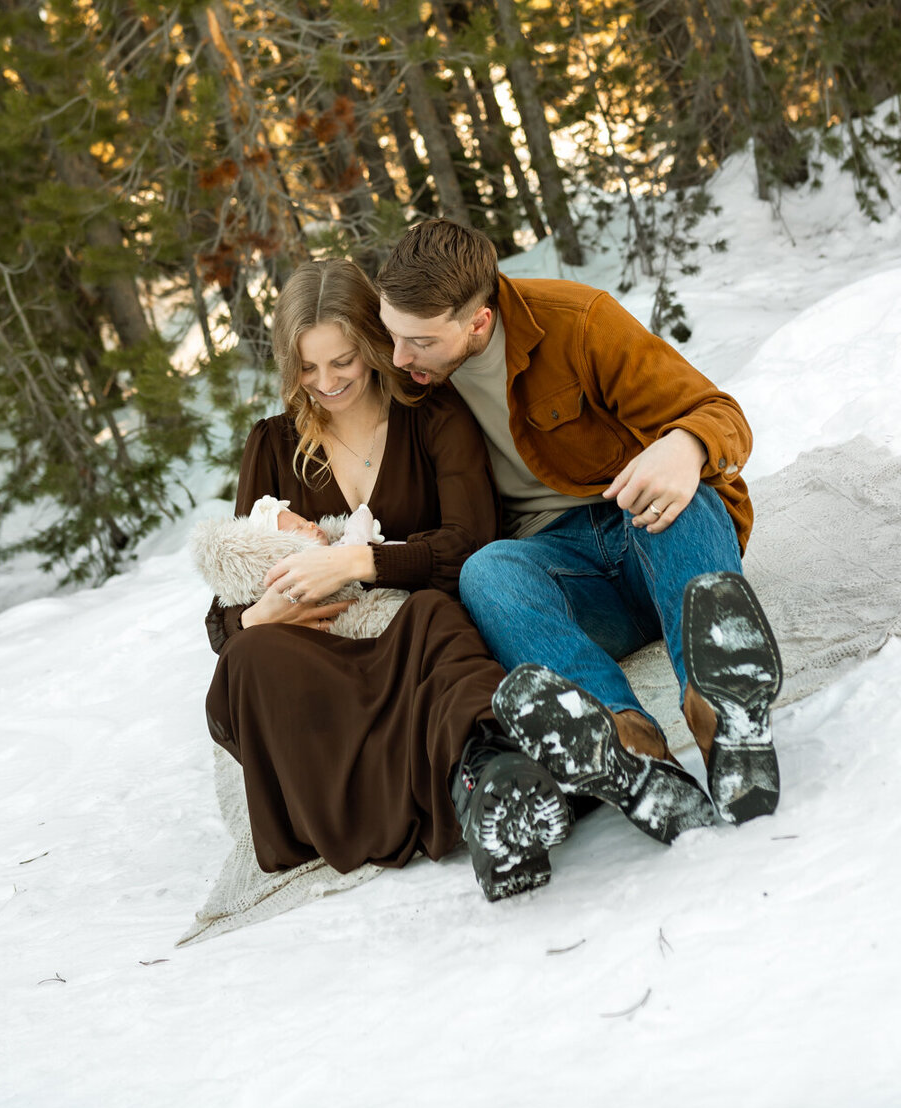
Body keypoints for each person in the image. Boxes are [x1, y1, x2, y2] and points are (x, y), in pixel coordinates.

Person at [376, 220, 783, 848]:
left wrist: (685, 445)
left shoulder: (578, 321)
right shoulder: (410, 376)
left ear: (478, 323)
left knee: (687, 502)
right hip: (566, 570)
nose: (400, 357)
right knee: (486, 572)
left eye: (419, 342)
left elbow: (722, 414)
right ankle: (629, 743)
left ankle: (717, 712)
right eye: (392, 334)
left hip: (649, 535)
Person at [202, 258, 572, 901]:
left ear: (374, 344)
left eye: (341, 360)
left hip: (413, 633)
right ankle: (346, 803)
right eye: (307, 367)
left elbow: (471, 541)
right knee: (252, 657)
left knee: (434, 618)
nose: (326, 382)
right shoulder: (270, 445)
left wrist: (358, 562)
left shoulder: (433, 416)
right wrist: (257, 619)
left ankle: (489, 790)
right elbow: (229, 592)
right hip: (314, 649)